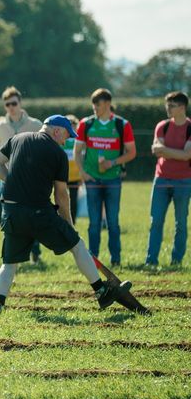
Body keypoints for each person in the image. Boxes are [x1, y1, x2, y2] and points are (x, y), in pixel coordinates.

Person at [0, 115, 132, 314]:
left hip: (13, 212)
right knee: (77, 245)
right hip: (40, 213)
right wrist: (69, 225)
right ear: (56, 131)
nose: (66, 141)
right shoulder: (58, 153)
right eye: (66, 136)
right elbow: (62, 195)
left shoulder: (17, 139)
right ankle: (101, 292)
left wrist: (13, 182)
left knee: (9, 263)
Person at [74, 88, 136, 267]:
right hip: (92, 179)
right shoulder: (86, 124)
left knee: (113, 223)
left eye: (98, 104)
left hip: (113, 179)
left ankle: (115, 260)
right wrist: (83, 173)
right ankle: (93, 260)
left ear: (108, 104)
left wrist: (113, 162)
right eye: (93, 104)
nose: (94, 107)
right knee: (94, 224)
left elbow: (132, 152)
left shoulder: (122, 125)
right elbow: (77, 152)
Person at [0, 86, 44, 261]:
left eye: (13, 103)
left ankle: (35, 254)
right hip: (8, 178)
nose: (11, 107)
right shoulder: (0, 126)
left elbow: (46, 145)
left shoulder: (35, 124)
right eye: (7, 104)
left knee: (34, 216)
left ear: (20, 103)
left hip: (31, 179)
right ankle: (11, 255)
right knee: (10, 219)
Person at [146, 91, 191, 267]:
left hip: (184, 181)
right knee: (155, 221)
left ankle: (176, 261)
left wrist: (167, 151)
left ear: (182, 107)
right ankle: (151, 261)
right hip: (161, 180)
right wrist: (178, 153)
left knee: (181, 223)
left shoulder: (189, 128)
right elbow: (156, 150)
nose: (168, 108)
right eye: (167, 104)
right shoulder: (162, 126)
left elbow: (187, 155)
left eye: (171, 105)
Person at [63, 114, 83, 223]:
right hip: (63, 175)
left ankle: (73, 221)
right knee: (61, 200)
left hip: (75, 176)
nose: (72, 127)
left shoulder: (79, 141)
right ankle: (62, 219)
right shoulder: (62, 140)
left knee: (74, 200)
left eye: (73, 125)